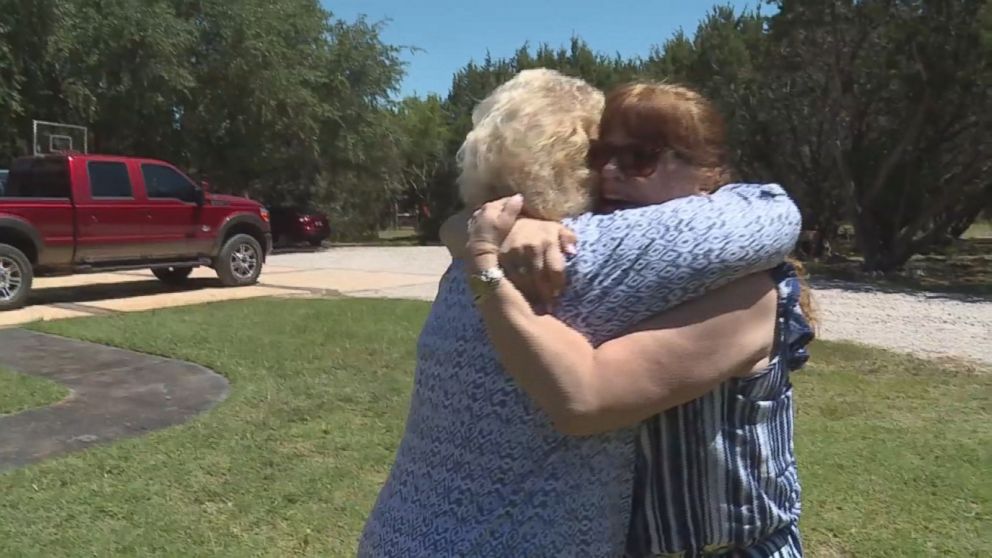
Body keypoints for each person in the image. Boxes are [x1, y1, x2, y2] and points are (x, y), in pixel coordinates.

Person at [358, 69, 802, 557]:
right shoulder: (558, 254)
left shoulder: (730, 285)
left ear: (708, 173)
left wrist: (486, 242)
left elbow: (772, 213)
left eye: (640, 157)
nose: (610, 171)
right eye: (600, 155)